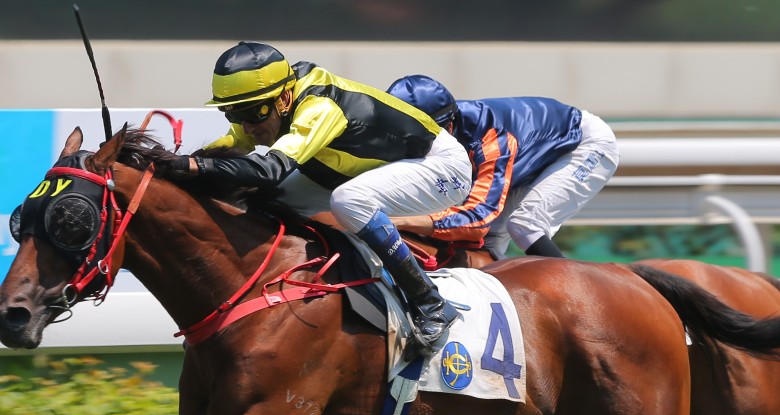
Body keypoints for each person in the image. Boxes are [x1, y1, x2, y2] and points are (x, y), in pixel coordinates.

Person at [158, 42, 472, 351]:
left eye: (253, 113)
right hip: (359, 171)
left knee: (349, 200)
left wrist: (194, 166)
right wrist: (171, 165)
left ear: (283, 98)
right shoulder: (266, 107)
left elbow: (269, 169)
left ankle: (430, 303)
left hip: (441, 167)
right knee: (271, 199)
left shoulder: (320, 106)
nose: (246, 126)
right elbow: (229, 149)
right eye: (233, 114)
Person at [385, 75, 620, 259]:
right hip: (529, 153)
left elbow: (478, 219)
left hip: (584, 144)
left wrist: (402, 221)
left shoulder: (491, 139)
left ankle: (573, 294)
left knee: (525, 225)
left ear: (447, 125)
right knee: (487, 246)